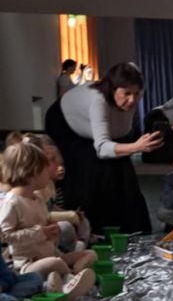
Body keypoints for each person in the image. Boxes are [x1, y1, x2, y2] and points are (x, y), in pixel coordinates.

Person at [45, 62, 163, 234]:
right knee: (91, 171)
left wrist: (132, 147)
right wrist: (136, 146)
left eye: (136, 94)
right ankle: (89, 229)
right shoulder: (99, 100)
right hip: (65, 124)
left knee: (123, 174)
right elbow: (101, 149)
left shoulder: (130, 96)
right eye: (127, 94)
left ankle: (133, 229)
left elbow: (131, 68)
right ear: (113, 89)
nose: (132, 100)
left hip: (99, 129)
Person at [0, 139, 96, 301]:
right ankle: (70, 281)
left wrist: (54, 229)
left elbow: (47, 225)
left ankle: (70, 279)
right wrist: (40, 233)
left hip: (53, 254)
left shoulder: (37, 198)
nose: (49, 174)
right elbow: (5, 236)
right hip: (29, 264)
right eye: (46, 169)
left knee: (90, 254)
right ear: (33, 172)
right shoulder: (12, 202)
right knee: (54, 263)